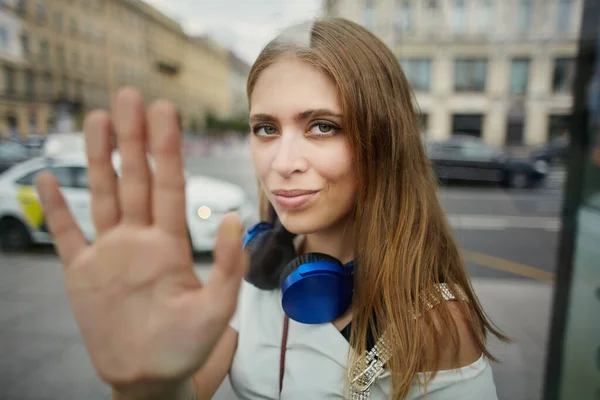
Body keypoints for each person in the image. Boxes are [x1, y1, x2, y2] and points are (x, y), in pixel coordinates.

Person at [35, 18, 507, 400]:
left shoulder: (435, 322)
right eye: (266, 129)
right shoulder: (261, 267)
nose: (281, 164)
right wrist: (147, 384)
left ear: (383, 140)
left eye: (322, 126)